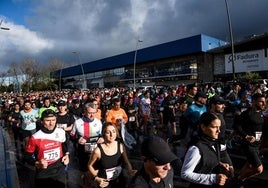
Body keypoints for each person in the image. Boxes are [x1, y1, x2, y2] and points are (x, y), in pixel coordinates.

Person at [181, 112, 231, 187]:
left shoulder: (214, 142)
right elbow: (185, 174)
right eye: (214, 127)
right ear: (203, 127)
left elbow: (206, 159)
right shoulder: (196, 148)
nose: (219, 131)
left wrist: (220, 164)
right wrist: (213, 178)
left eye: (219, 127)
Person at [24, 109, 69, 187]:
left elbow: (65, 146)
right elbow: (27, 156)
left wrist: (67, 155)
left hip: (59, 169)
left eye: (53, 120)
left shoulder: (61, 132)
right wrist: (36, 163)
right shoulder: (35, 137)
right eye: (48, 120)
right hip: (43, 172)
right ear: (42, 121)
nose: (51, 123)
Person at [88, 123, 137, 188]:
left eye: (114, 131)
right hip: (104, 183)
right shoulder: (97, 151)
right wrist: (96, 178)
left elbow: (126, 162)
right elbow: (90, 165)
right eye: (108, 132)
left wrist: (130, 170)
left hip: (119, 181)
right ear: (103, 134)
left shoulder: (120, 146)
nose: (111, 135)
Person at [233, 92, 267, 184]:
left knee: (250, 165)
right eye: (261, 102)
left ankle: (235, 180)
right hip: (248, 145)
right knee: (259, 169)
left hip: (257, 145)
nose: (264, 104)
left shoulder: (261, 113)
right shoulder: (247, 113)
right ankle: (240, 179)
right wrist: (246, 136)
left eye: (264, 101)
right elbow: (237, 126)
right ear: (254, 102)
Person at [70, 102, 103, 172]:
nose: (92, 115)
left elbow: (102, 135)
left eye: (94, 113)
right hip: (83, 152)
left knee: (96, 170)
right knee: (85, 172)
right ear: (84, 111)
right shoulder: (77, 122)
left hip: (96, 151)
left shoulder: (98, 122)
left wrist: (102, 138)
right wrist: (78, 139)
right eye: (90, 113)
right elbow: (72, 136)